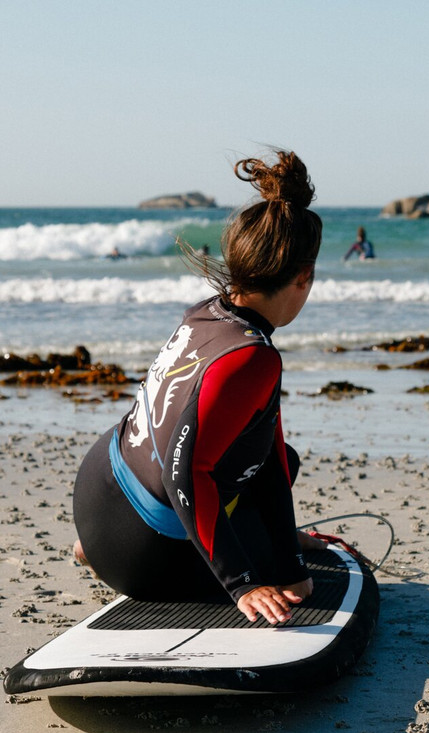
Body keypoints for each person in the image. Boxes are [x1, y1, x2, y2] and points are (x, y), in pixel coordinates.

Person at [73, 149, 326, 626]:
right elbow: (186, 473)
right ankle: (239, 552)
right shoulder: (252, 357)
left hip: (97, 492)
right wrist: (248, 582)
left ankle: (93, 545)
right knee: (268, 543)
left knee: (280, 458)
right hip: (140, 553)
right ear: (304, 277)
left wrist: (287, 552)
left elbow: (271, 454)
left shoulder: (207, 312)